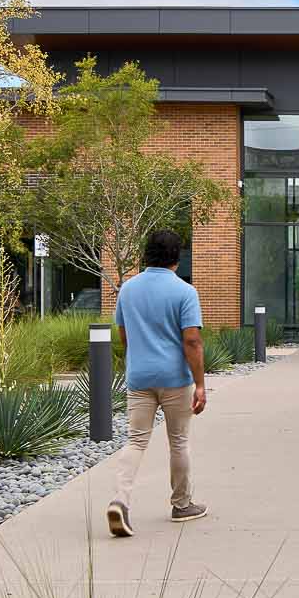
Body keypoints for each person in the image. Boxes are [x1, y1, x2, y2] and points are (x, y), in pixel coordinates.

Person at [104, 228, 207, 537]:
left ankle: (120, 501)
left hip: (139, 377)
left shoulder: (128, 289)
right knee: (179, 441)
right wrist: (200, 384)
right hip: (174, 378)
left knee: (136, 440)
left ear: (146, 254)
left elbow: (124, 335)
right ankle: (181, 505)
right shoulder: (185, 292)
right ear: (177, 257)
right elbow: (192, 341)